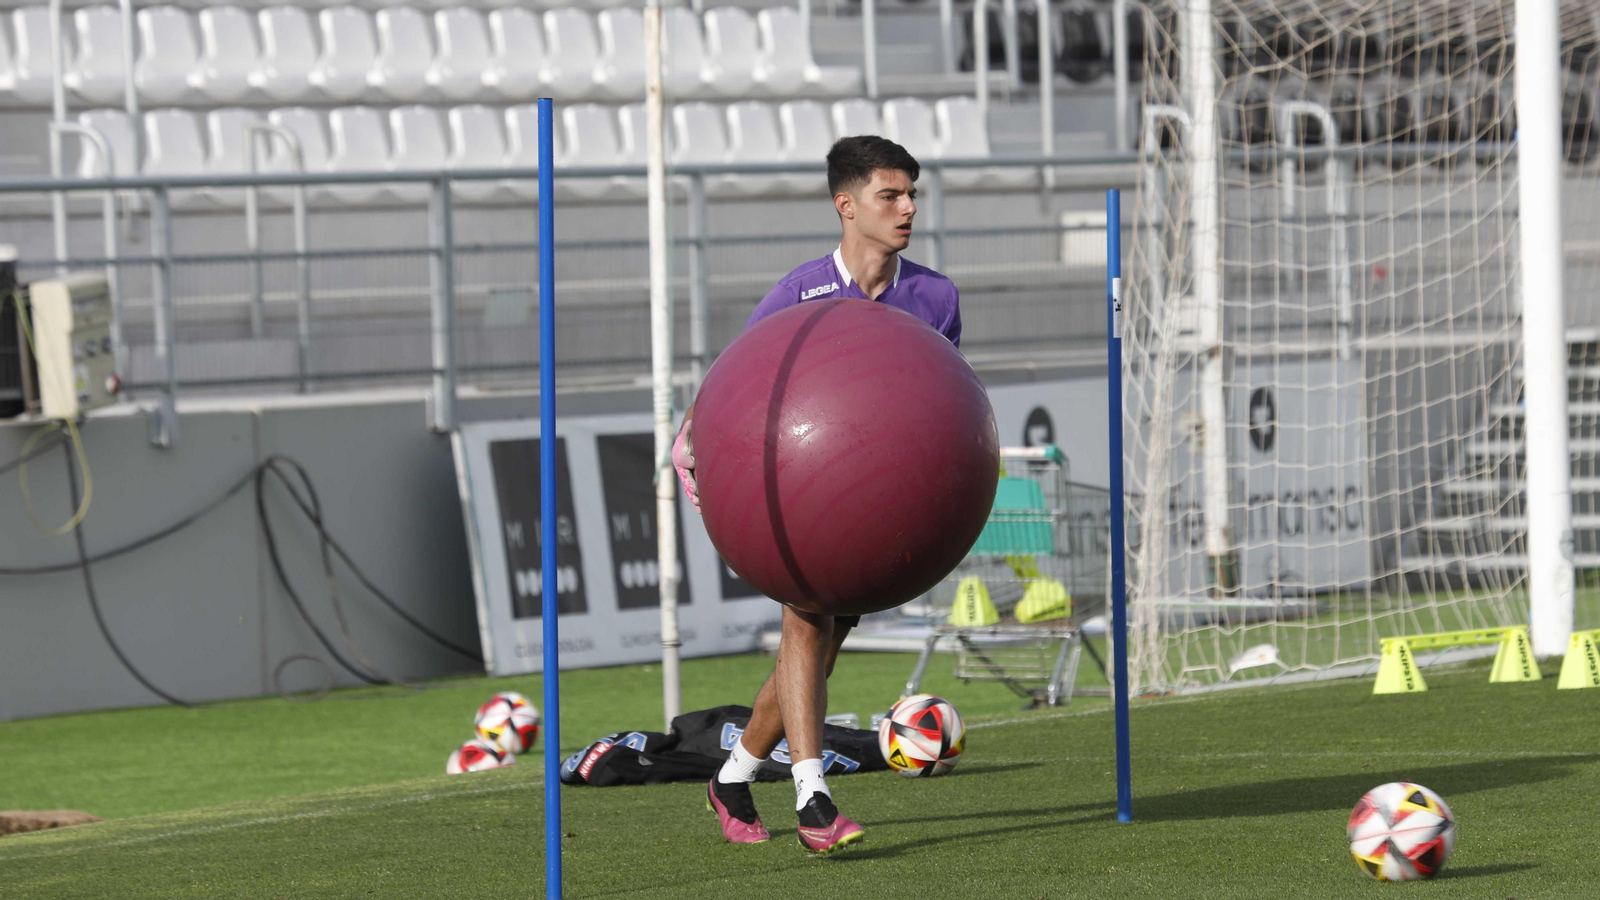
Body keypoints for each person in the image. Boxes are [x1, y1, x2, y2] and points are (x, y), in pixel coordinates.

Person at [672, 135, 961, 855]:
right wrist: (691, 443)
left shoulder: (936, 298)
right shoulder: (795, 296)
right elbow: (741, 393)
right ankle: (814, 801)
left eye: (911, 194)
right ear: (846, 205)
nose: (907, 209)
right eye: (889, 196)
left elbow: (943, 407)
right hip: (804, 499)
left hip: (880, 510)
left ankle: (733, 778)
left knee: (821, 650)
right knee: (805, 622)